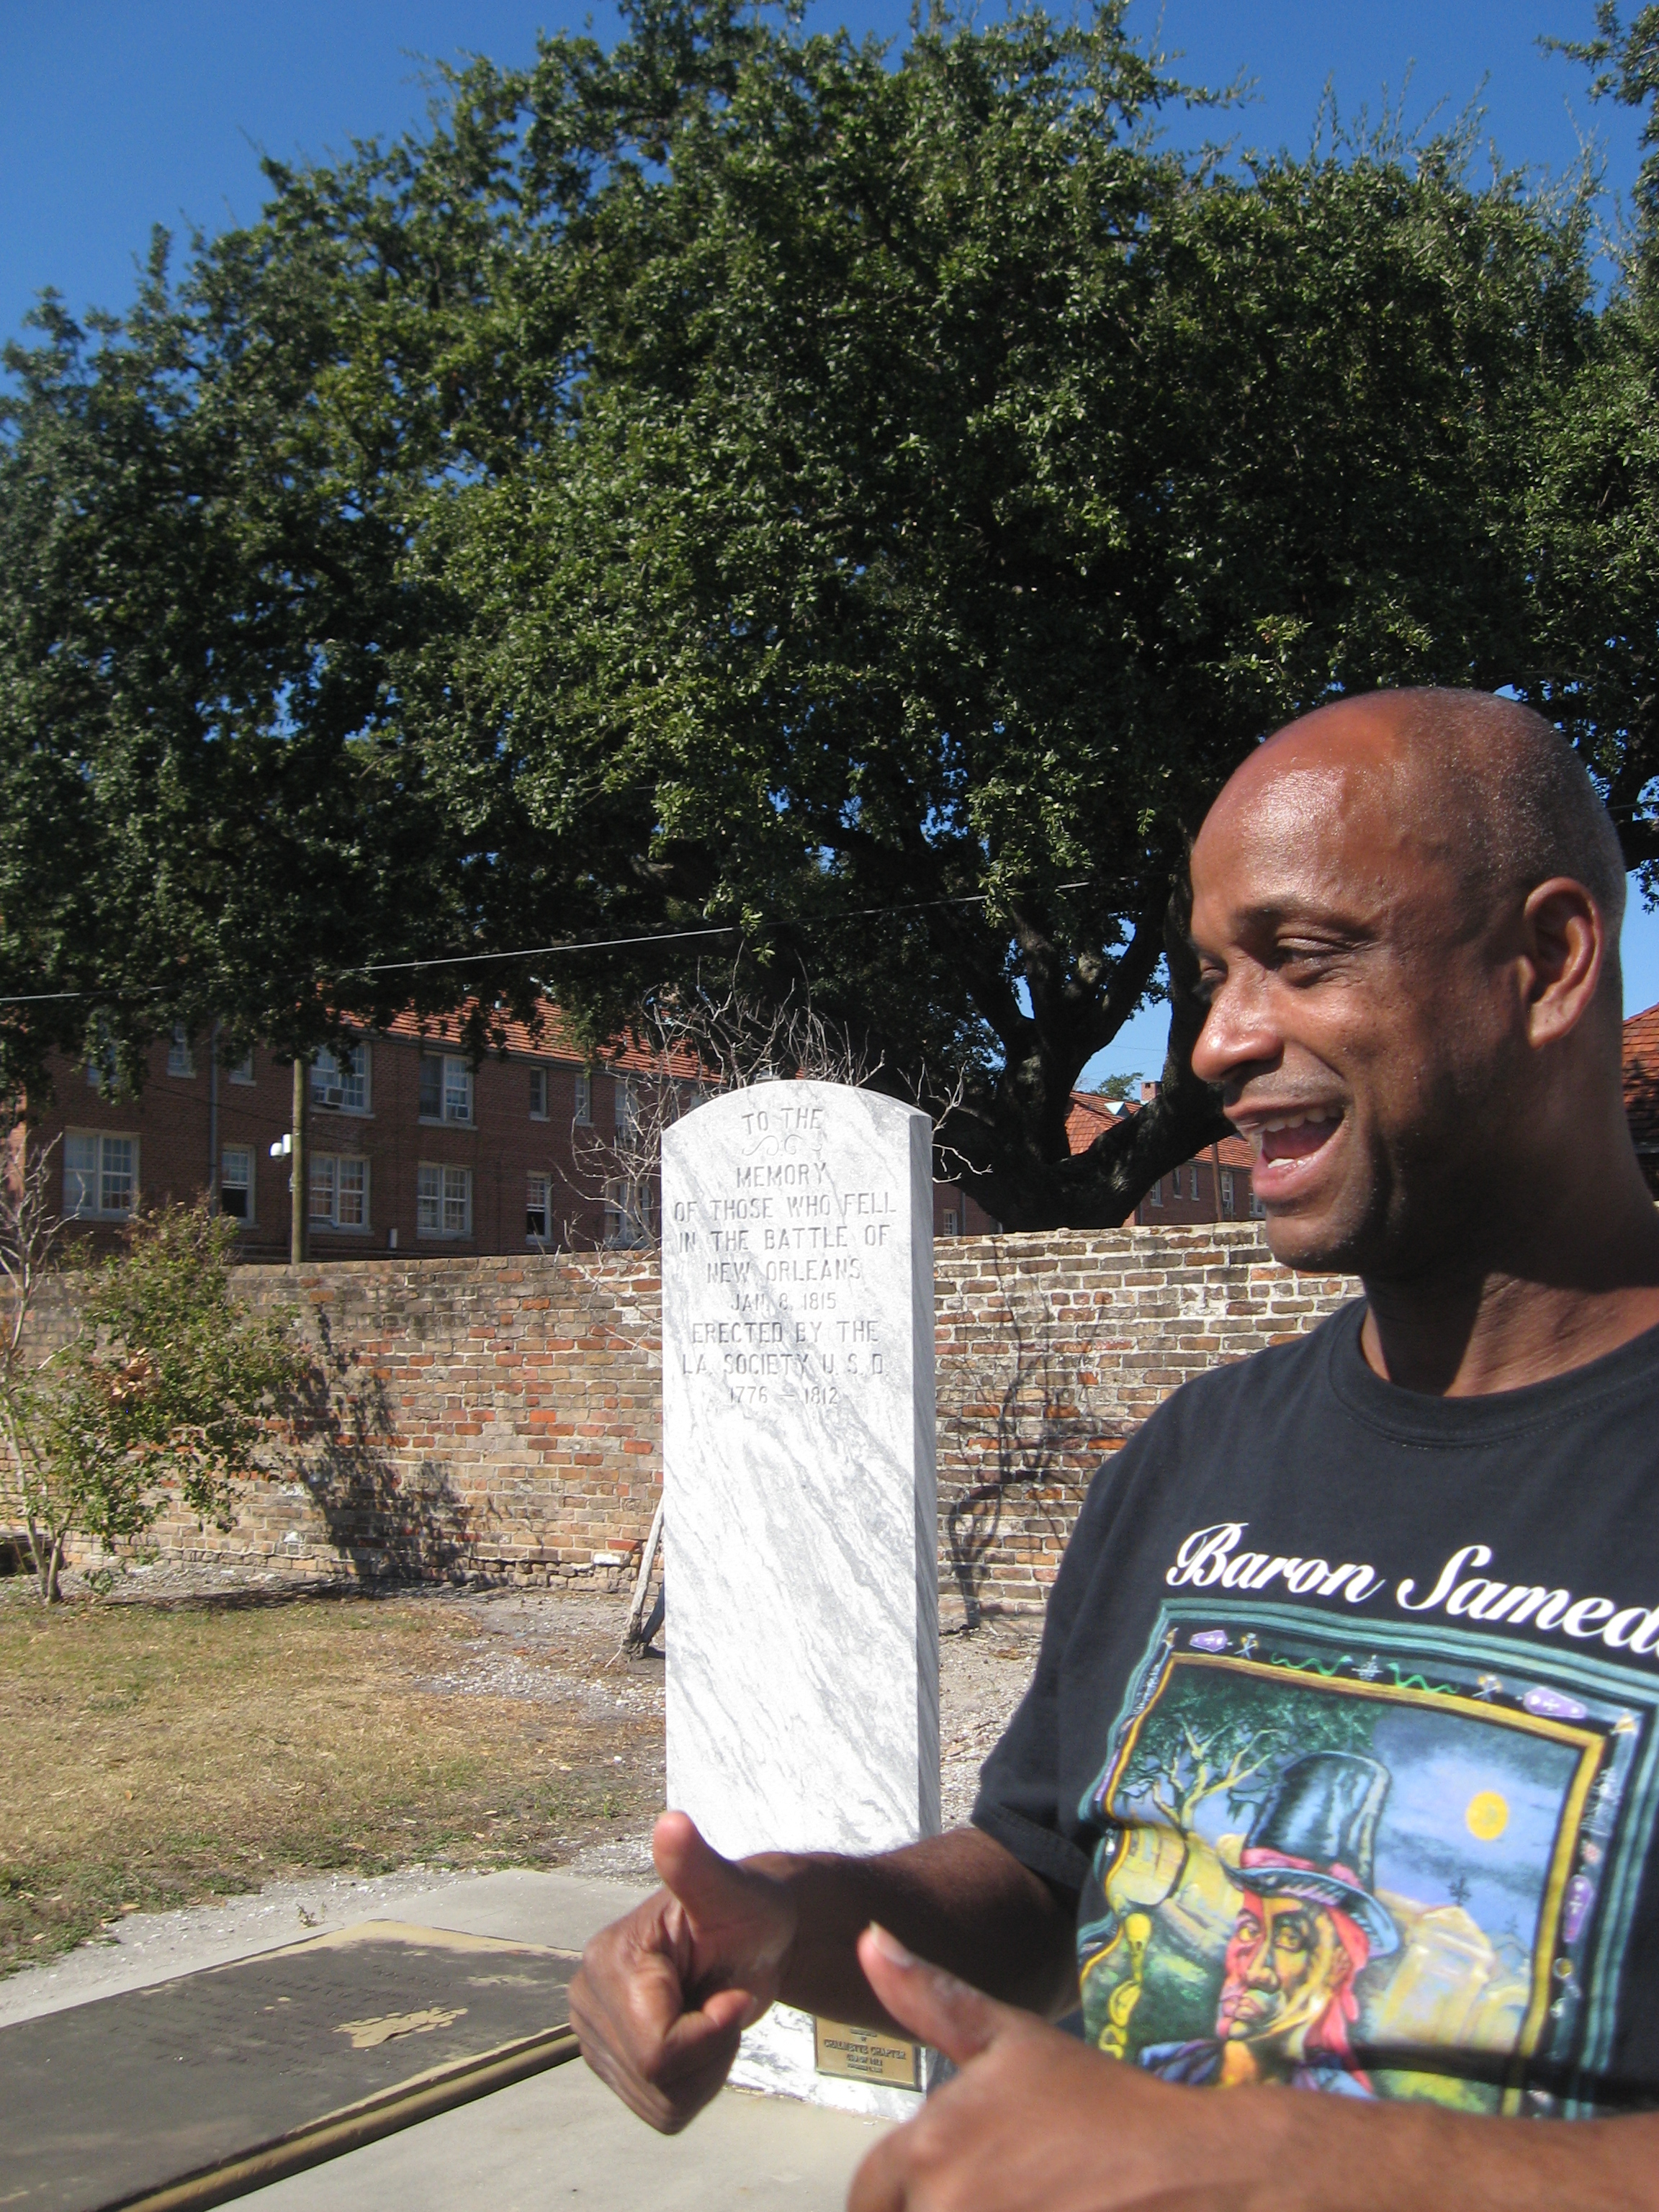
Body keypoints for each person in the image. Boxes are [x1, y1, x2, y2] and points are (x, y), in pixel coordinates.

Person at [571, 688, 1659, 2208]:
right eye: (1212, 977)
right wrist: (786, 1919)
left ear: (1546, 962)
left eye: (1302, 956)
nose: (1218, 1043)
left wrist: (1279, 2162)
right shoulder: (1198, 1457)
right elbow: (1037, 1881)